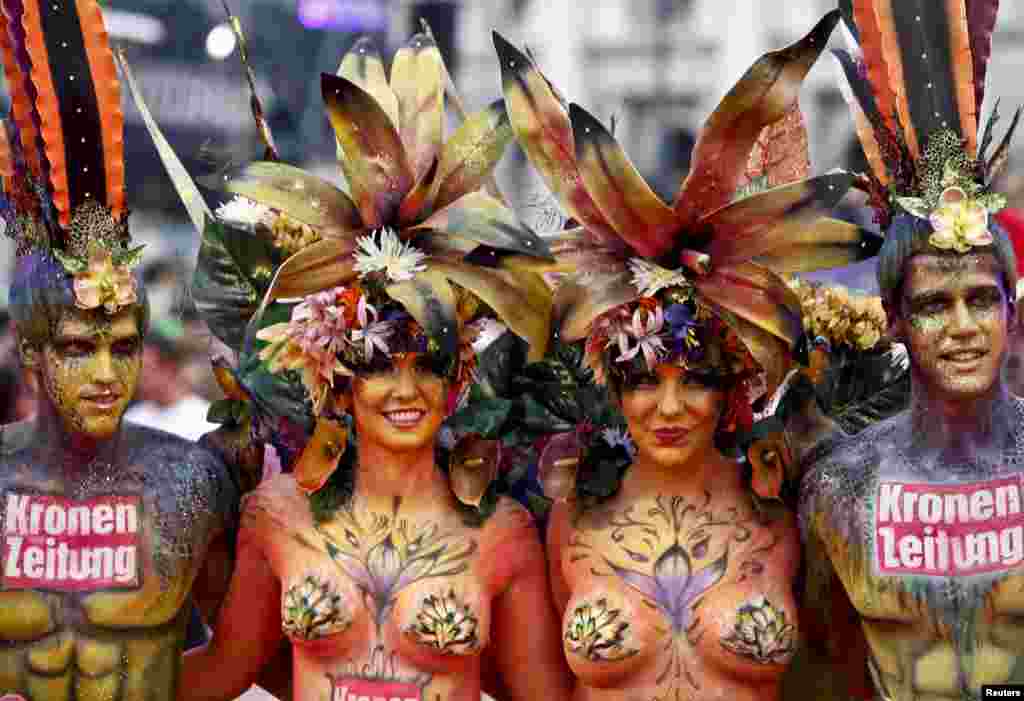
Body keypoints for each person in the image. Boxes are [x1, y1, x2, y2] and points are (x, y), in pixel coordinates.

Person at [138, 29, 572, 701]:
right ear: (334, 374)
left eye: (425, 362)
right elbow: (223, 671)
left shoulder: (501, 532)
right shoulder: (278, 518)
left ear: (457, 376)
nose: (405, 388)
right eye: (376, 363)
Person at [494, 11, 868, 701]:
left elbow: (841, 675)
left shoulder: (788, 515)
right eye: (642, 379)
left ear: (733, 382)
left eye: (694, 379)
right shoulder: (566, 520)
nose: (667, 406)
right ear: (610, 380)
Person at [0, 2, 242, 698]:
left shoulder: (193, 482)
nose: (108, 375)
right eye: (80, 347)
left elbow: (247, 658)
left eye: (124, 346)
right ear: (33, 352)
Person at [801, 3, 1024, 698]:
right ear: (893, 319)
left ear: (1013, 314)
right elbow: (824, 670)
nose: (962, 326)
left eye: (982, 299)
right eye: (933, 304)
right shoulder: (841, 488)